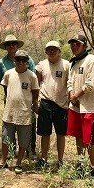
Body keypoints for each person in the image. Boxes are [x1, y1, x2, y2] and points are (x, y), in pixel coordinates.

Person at [0, 50, 39, 174]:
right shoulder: (8, 74)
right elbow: (6, 90)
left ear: (27, 62)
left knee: (23, 140)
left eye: (24, 60)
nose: (21, 62)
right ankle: (3, 161)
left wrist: (30, 104)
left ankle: (19, 163)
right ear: (14, 61)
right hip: (9, 112)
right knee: (6, 138)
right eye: (18, 60)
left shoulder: (31, 76)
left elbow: (35, 93)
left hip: (24, 113)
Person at [0, 34, 37, 157]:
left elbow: (33, 80)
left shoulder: (29, 60)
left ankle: (30, 150)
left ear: (17, 45)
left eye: (14, 43)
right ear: (6, 47)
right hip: (10, 98)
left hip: (27, 99)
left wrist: (33, 101)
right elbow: (0, 80)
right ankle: (12, 152)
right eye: (9, 44)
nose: (12, 46)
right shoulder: (1, 63)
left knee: (28, 124)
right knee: (9, 125)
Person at [66, 34, 94, 178]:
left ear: (85, 46)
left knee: (90, 139)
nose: (74, 46)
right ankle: (80, 164)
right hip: (75, 107)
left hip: (89, 107)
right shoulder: (73, 62)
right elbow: (70, 81)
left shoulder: (92, 60)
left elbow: (91, 84)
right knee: (78, 136)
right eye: (72, 44)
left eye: (78, 44)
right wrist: (70, 94)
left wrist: (76, 95)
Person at [35, 41, 70, 169]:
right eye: (49, 49)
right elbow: (36, 84)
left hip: (62, 104)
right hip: (45, 102)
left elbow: (70, 83)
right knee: (45, 133)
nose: (51, 51)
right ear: (46, 51)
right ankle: (43, 158)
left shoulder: (66, 65)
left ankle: (60, 160)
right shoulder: (41, 65)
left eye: (54, 49)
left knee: (61, 134)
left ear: (59, 51)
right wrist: (35, 102)